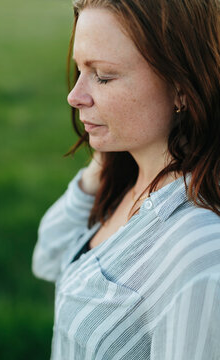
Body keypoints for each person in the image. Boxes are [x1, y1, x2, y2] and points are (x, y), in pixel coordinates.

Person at [32, 0, 220, 359]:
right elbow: (49, 255)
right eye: (79, 70)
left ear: (182, 86)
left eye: (102, 74)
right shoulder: (128, 177)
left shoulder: (199, 254)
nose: (74, 96)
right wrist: (101, 165)